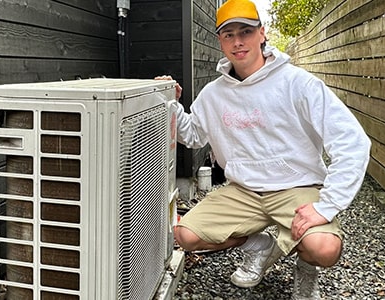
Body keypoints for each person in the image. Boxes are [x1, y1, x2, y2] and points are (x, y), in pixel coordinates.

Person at [155, 0, 371, 298]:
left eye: (246, 31)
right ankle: (259, 246)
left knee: (324, 248)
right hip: (244, 191)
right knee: (186, 235)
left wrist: (327, 205)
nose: (238, 41)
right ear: (220, 41)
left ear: (262, 33)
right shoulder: (214, 94)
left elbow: (352, 141)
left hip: (296, 187)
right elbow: (192, 135)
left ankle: (306, 269)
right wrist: (172, 105)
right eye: (228, 34)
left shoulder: (299, 84)